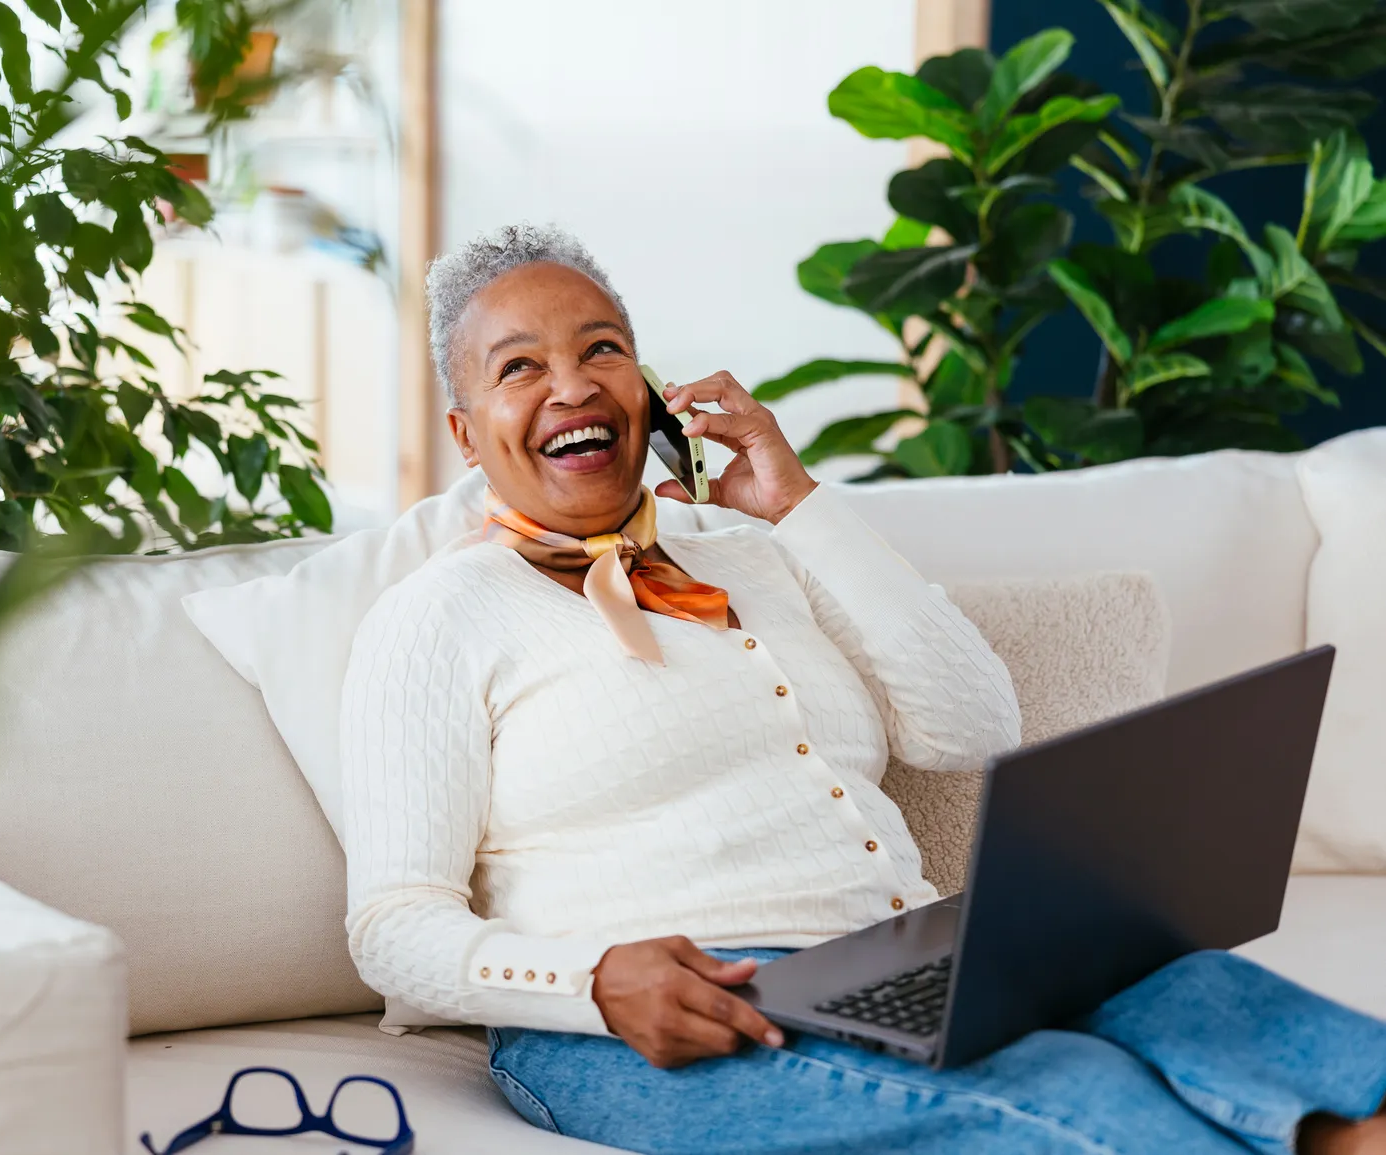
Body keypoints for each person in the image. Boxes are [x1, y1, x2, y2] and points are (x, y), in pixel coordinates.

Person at [339, 223, 1386, 1155]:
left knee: (1193, 987)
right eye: (519, 368)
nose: (571, 386)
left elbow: (970, 726)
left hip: (905, 960)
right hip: (650, 1019)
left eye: (600, 349)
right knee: (1078, 1098)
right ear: (468, 435)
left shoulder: (755, 551)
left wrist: (794, 503)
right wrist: (589, 982)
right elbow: (392, 926)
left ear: (650, 389)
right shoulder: (435, 616)